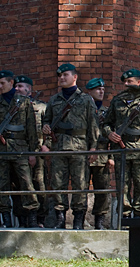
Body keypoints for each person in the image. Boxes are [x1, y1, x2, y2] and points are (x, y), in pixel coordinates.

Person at [41, 63, 99, 230]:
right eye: (59, 75)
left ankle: (78, 220)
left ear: (74, 77)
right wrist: (45, 129)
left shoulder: (86, 99)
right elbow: (47, 121)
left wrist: (94, 147)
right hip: (59, 147)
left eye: (65, 75)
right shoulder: (54, 100)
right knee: (58, 182)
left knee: (80, 183)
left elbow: (93, 125)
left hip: (79, 147)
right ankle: (60, 218)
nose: (61, 78)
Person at [103, 68, 140, 219]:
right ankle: (125, 215)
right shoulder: (117, 100)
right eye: (125, 82)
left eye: (130, 81)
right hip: (122, 149)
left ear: (139, 82)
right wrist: (110, 133)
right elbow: (107, 123)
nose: (127, 84)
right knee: (123, 185)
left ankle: (139, 215)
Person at [0, 70, 40, 228]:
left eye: (2, 83)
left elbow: (31, 129)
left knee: (26, 184)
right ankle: (6, 219)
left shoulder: (23, 102)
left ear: (11, 83)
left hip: (21, 149)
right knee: (2, 186)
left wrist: (32, 153)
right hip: (2, 150)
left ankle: (32, 218)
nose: (0, 86)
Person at [14, 75, 48, 227]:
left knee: (38, 184)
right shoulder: (13, 106)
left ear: (29, 89)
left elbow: (50, 129)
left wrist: (47, 145)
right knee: (18, 185)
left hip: (38, 151)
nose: (17, 89)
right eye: (15, 86)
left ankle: (39, 219)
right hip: (19, 151)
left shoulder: (41, 107)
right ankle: (22, 219)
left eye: (20, 86)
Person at [85, 77, 114, 229]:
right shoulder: (82, 109)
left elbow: (111, 135)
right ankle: (79, 219)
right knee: (81, 187)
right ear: (89, 91)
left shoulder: (106, 112)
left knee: (102, 189)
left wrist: (110, 157)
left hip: (102, 155)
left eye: (103, 89)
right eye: (98, 89)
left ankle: (99, 221)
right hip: (84, 154)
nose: (101, 92)